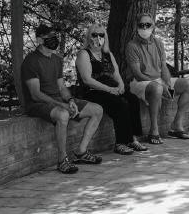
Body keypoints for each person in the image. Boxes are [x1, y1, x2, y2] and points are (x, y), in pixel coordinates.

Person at [21, 23, 104, 174]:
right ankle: (62, 160)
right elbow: (35, 94)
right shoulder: (31, 61)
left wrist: (70, 101)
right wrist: (62, 105)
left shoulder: (56, 59)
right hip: (37, 104)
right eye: (49, 37)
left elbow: (61, 87)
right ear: (39, 40)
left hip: (57, 100)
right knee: (63, 114)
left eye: (55, 36)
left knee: (97, 110)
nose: (54, 39)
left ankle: (81, 152)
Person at [75, 23, 148, 155]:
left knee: (133, 99)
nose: (98, 37)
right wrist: (109, 89)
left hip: (111, 87)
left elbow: (116, 73)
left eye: (101, 35)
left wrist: (121, 85)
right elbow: (87, 80)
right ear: (89, 36)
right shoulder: (84, 54)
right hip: (93, 91)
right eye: (94, 34)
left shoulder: (107, 54)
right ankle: (120, 143)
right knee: (120, 104)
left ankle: (132, 139)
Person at [125, 13, 189, 144]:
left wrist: (167, 82)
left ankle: (176, 126)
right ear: (136, 27)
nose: (144, 28)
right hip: (139, 82)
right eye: (141, 25)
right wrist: (161, 85)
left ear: (153, 26)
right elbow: (137, 74)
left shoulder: (158, 43)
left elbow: (163, 67)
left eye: (148, 25)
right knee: (157, 88)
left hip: (158, 80)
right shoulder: (132, 46)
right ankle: (154, 131)